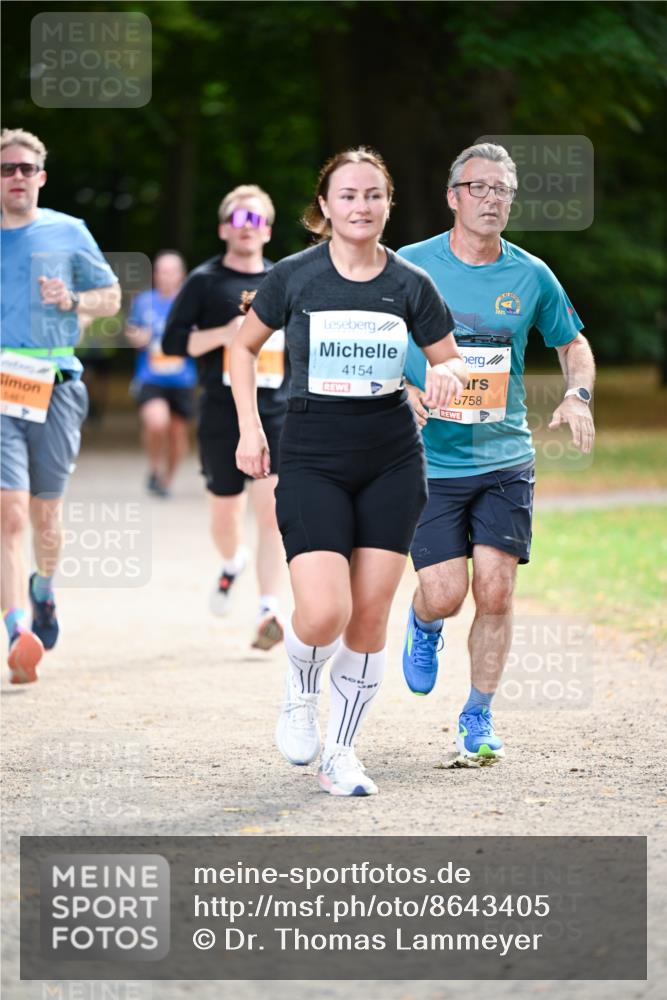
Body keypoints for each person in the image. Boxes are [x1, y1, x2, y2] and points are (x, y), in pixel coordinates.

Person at [231, 147, 467, 796]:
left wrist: (443, 377)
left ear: (386, 205)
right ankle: (299, 689)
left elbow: (446, 361)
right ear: (325, 207)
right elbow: (241, 347)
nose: (360, 206)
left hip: (392, 457)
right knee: (324, 610)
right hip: (311, 456)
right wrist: (251, 429)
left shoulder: (410, 284)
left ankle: (341, 752)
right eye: (347, 195)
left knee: (368, 615)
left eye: (372, 195)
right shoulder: (295, 277)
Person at [400, 142, 596, 760]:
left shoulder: (531, 273)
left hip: (504, 457)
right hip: (429, 459)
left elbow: (573, 345)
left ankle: (477, 717)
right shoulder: (409, 266)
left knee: (496, 590)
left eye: (502, 190)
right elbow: (368, 338)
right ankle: (424, 623)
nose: (490, 199)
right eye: (478, 188)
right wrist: (401, 388)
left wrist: (579, 396)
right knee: (446, 592)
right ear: (453, 196)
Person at [0, 127, 121, 683]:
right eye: (8, 169)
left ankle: (42, 588)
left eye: (26, 168)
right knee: (11, 512)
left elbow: (111, 297)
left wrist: (72, 299)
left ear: (41, 177)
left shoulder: (69, 232)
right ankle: (16, 629)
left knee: (47, 514)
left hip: (55, 383)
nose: (17, 177)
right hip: (1, 389)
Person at [162, 185, 287, 650]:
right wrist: (225, 334)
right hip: (220, 412)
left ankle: (268, 608)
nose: (247, 228)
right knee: (225, 514)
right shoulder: (204, 281)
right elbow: (174, 345)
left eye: (256, 220)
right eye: (239, 220)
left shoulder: (283, 280)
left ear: (268, 231)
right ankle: (232, 560)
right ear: (223, 229)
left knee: (272, 512)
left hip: (275, 408)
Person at [125, 250, 196, 498]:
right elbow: (132, 331)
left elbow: (202, 338)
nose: (166, 276)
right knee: (157, 422)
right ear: (155, 274)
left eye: (171, 271)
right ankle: (154, 467)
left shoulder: (190, 302)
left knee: (177, 434)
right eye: (161, 271)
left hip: (182, 378)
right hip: (150, 377)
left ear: (182, 275)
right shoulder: (144, 301)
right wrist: (137, 337)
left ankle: (166, 479)